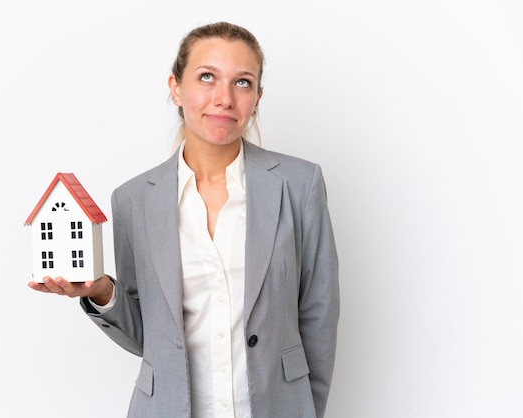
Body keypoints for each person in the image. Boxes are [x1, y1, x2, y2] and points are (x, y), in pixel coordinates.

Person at [29, 21, 340, 418]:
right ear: (175, 87)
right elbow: (150, 337)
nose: (224, 98)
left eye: (242, 83)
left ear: (257, 97)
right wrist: (104, 291)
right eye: (207, 77)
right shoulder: (134, 199)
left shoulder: (300, 185)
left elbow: (319, 314)